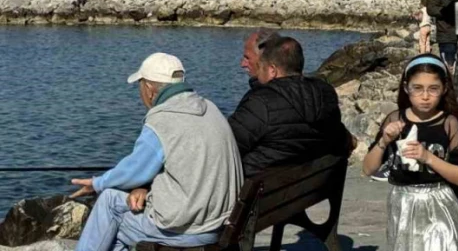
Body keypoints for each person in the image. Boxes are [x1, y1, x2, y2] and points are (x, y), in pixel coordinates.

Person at [71, 53, 242, 251]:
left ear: (150, 89)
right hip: (219, 223)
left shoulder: (161, 120)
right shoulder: (211, 108)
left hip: (186, 230)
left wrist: (96, 183)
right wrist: (144, 188)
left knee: (109, 202)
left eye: (140, 85)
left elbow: (134, 171)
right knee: (115, 232)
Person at [362, 55, 458, 251]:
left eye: (433, 89)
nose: (425, 96)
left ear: (444, 89)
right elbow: (369, 169)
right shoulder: (395, 120)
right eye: (417, 88)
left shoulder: (448, 123)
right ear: (406, 88)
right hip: (403, 203)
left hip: (439, 203)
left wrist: (427, 157)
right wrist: (384, 141)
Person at [228, 36, 353, 178]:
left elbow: (227, 147)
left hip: (259, 192)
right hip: (305, 188)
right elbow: (341, 140)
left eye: (261, 67)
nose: (257, 75)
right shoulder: (325, 94)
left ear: (272, 70)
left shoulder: (260, 102)